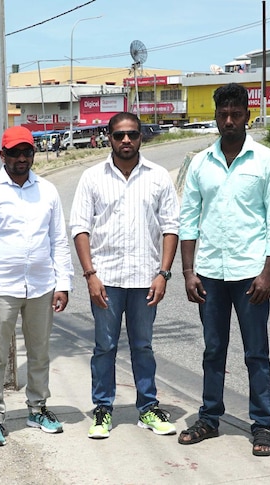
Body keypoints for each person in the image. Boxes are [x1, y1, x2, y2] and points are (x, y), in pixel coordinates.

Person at [177, 83, 270, 457]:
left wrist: (267, 274)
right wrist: (188, 272)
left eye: (236, 114)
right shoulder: (199, 164)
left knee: (256, 352)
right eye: (223, 114)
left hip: (250, 274)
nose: (229, 121)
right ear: (215, 117)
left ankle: (262, 427)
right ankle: (209, 418)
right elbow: (188, 220)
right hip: (209, 273)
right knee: (213, 350)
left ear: (247, 115)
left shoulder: (266, 161)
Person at [69, 112, 180, 440]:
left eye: (132, 134)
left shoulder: (158, 177)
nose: (126, 140)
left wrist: (163, 273)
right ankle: (102, 409)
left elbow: (171, 227)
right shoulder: (92, 177)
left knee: (143, 346)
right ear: (109, 137)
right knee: (104, 346)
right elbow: (80, 227)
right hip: (106, 280)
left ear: (141, 137)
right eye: (120, 135)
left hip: (146, 279)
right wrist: (90, 274)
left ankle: (148, 407)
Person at [0, 126, 73, 446]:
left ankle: (37, 408)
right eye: (14, 152)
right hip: (1, 287)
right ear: (3, 155)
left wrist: (63, 283)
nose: (22, 158)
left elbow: (58, 241)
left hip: (42, 285)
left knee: (40, 352)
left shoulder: (48, 191)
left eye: (27, 152)